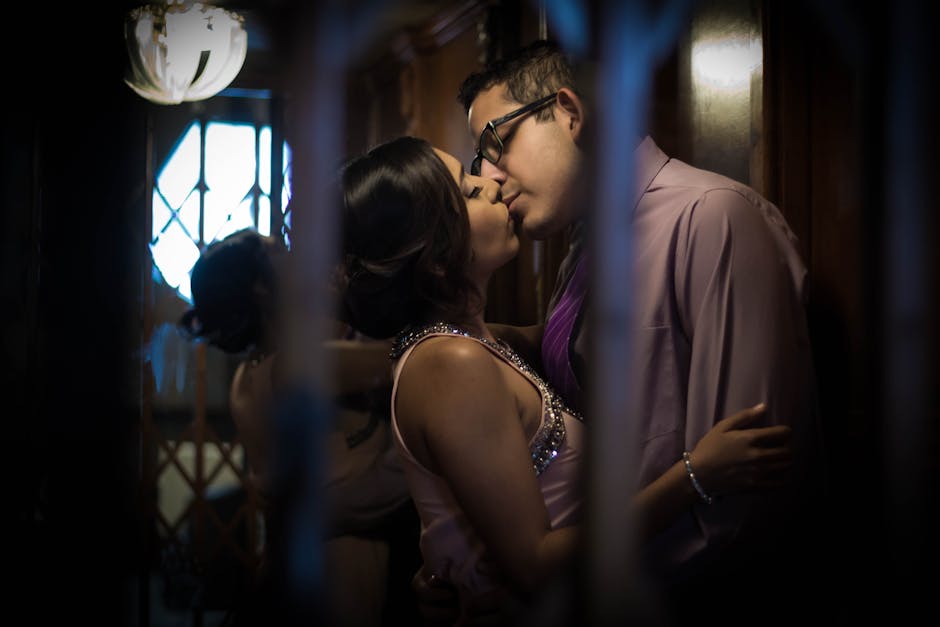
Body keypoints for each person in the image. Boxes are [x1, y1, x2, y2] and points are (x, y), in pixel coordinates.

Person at [337, 136, 795, 626]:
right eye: (468, 191)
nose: (490, 183)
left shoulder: (473, 343)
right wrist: (695, 475)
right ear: (437, 255)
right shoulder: (451, 363)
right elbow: (535, 565)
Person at [452, 39, 827, 626]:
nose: (490, 176)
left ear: (569, 113)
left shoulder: (712, 217)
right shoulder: (589, 239)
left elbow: (743, 495)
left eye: (495, 143)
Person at [178, 227, 421, 627]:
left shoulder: (249, 375)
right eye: (279, 252)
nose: (294, 256)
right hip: (344, 562)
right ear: (260, 287)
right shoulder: (295, 366)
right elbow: (409, 359)